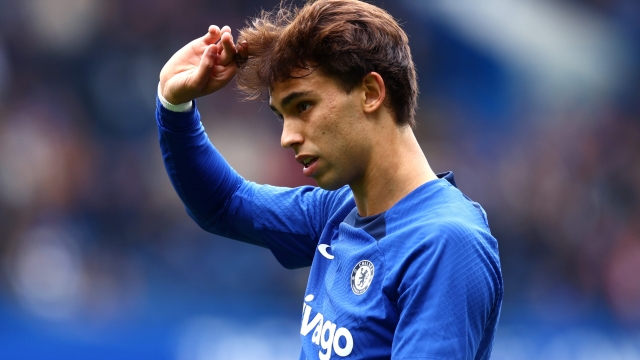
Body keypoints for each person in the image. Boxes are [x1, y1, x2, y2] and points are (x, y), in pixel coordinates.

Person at [155, 0, 503, 358]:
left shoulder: (444, 244)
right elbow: (223, 204)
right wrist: (174, 103)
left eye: (303, 106)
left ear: (370, 93)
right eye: (281, 116)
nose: (287, 137)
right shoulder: (339, 211)